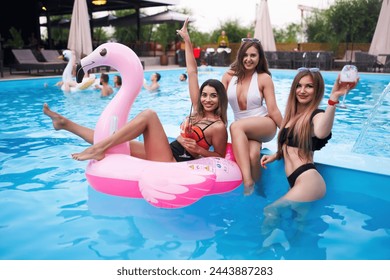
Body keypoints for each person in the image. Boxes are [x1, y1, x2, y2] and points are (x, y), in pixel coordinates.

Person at [44, 18, 228, 165]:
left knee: (149, 115)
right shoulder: (197, 108)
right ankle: (65, 123)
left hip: (176, 160)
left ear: (220, 99)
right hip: (169, 149)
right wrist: (187, 41)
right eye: (204, 94)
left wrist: (198, 150)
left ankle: (97, 149)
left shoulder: (218, 127)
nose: (207, 99)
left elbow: (220, 156)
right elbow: (192, 72)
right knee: (114, 139)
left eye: (213, 95)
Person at [260, 67, 359, 202]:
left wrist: (333, 98)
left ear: (317, 90)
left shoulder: (316, 115)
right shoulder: (292, 116)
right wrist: (276, 155)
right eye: (299, 86)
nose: (302, 91)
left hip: (308, 180)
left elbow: (321, 132)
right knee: (299, 222)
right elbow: (292, 145)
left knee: (271, 212)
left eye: (309, 86)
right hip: (296, 180)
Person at [221, 38, 283, 195]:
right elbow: (218, 105)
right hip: (243, 130)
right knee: (253, 155)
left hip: (264, 124)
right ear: (240, 56)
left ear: (259, 58)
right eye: (245, 55)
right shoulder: (228, 77)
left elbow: (273, 110)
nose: (249, 59)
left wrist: (288, 132)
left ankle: (247, 182)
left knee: (235, 126)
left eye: (253, 55)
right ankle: (260, 191)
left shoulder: (264, 78)